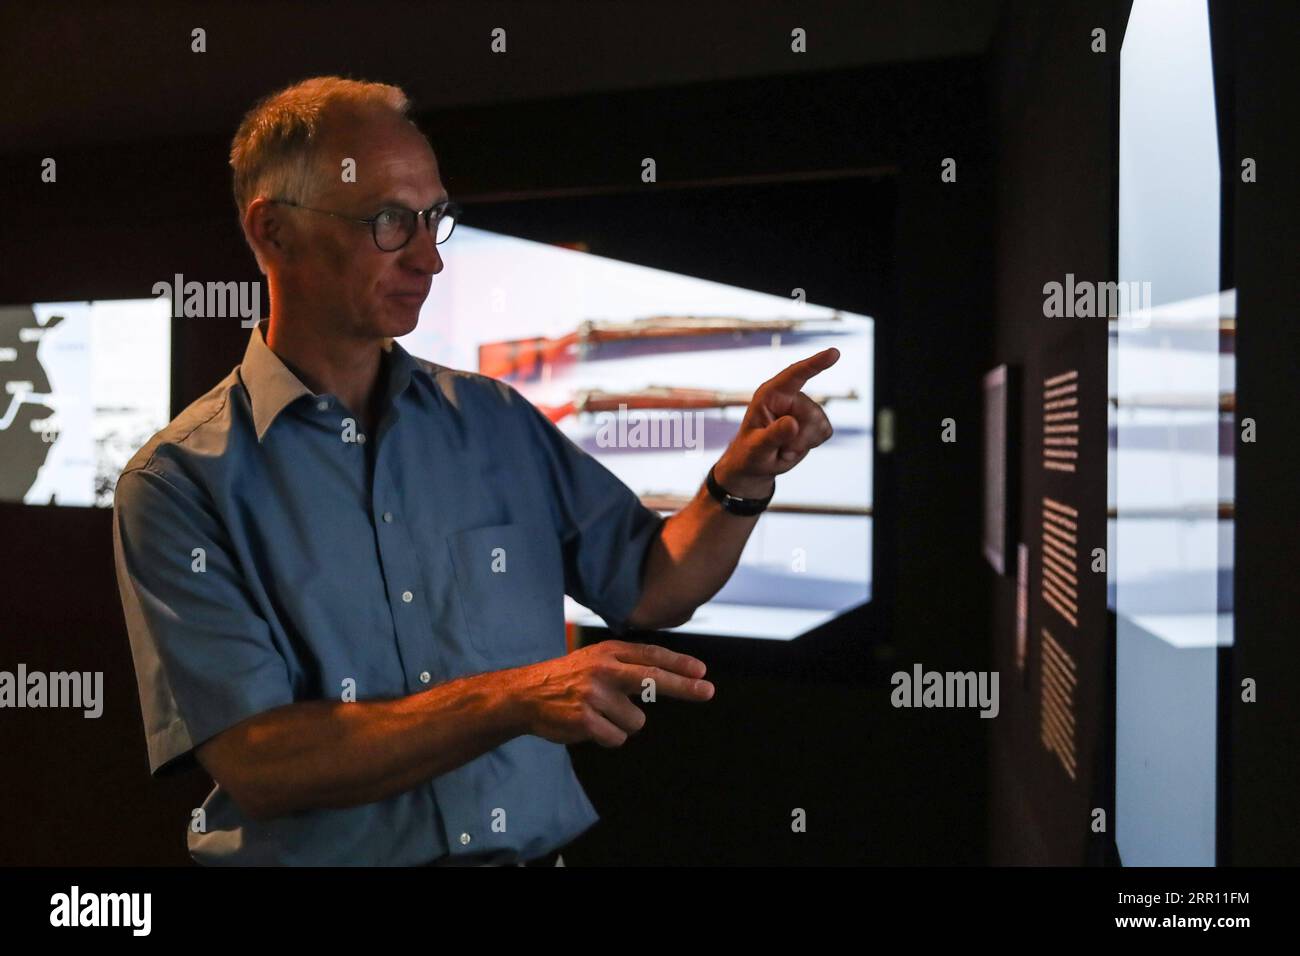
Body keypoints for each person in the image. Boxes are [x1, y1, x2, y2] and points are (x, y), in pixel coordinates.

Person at [111, 76, 839, 865]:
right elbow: (263, 762)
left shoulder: (493, 420)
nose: (429, 257)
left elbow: (651, 583)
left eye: (435, 219)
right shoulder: (178, 485)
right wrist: (513, 699)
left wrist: (741, 482)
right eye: (390, 221)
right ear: (275, 232)